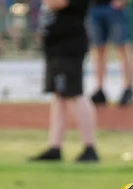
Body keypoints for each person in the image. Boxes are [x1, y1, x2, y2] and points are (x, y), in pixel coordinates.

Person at [29, 0, 99, 162]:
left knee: (74, 94)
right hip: (57, 46)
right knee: (59, 96)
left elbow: (55, 2)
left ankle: (89, 147)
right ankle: (55, 146)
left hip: (69, 46)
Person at [87, 0, 133, 107]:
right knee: (98, 49)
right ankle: (99, 89)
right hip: (94, 7)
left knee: (122, 47)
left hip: (114, 7)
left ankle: (127, 89)